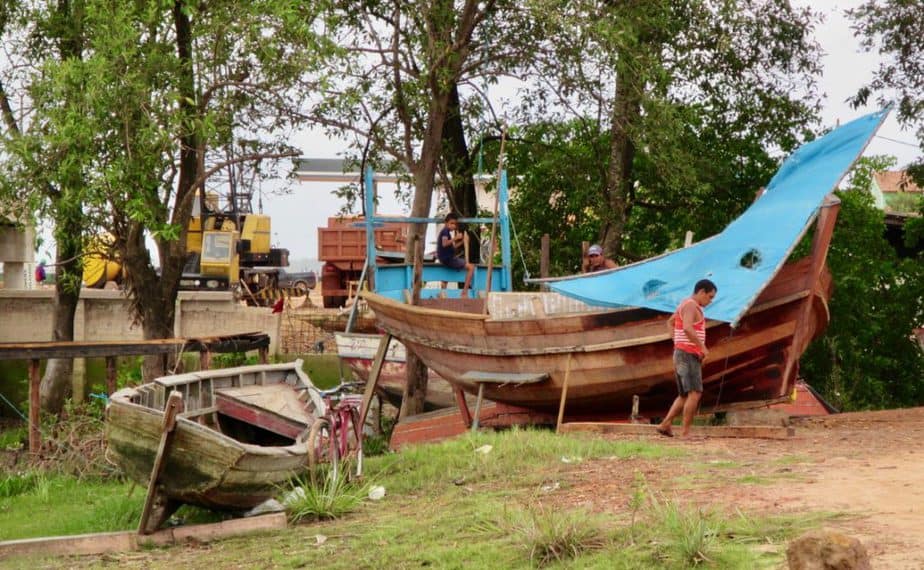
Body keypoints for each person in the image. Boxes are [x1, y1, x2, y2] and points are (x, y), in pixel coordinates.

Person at [657, 278, 718, 438]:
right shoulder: (691, 305)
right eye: (710, 297)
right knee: (695, 393)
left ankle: (665, 424)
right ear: (701, 292)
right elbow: (687, 328)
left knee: (684, 394)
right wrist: (702, 348)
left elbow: (670, 323)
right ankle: (685, 433)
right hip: (688, 354)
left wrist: (677, 342)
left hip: (681, 352)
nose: (710, 301)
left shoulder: (683, 304)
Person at [436, 212, 475, 298]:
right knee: (471, 267)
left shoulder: (446, 232)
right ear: (446, 223)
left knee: (450, 270)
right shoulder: (445, 231)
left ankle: (442, 291)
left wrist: (462, 241)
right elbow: (444, 244)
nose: (453, 226)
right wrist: (456, 238)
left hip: (447, 258)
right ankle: (464, 292)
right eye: (451, 223)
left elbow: (452, 247)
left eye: (455, 224)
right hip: (447, 259)